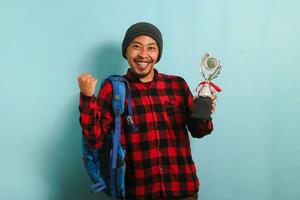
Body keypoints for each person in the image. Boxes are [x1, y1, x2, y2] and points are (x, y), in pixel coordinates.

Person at [78, 22, 217, 200]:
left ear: (158, 53)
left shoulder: (177, 85)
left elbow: (200, 131)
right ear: (126, 51)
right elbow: (94, 139)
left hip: (183, 189)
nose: (143, 55)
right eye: (136, 46)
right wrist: (87, 97)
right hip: (139, 192)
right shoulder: (113, 89)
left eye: (151, 48)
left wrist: (203, 113)